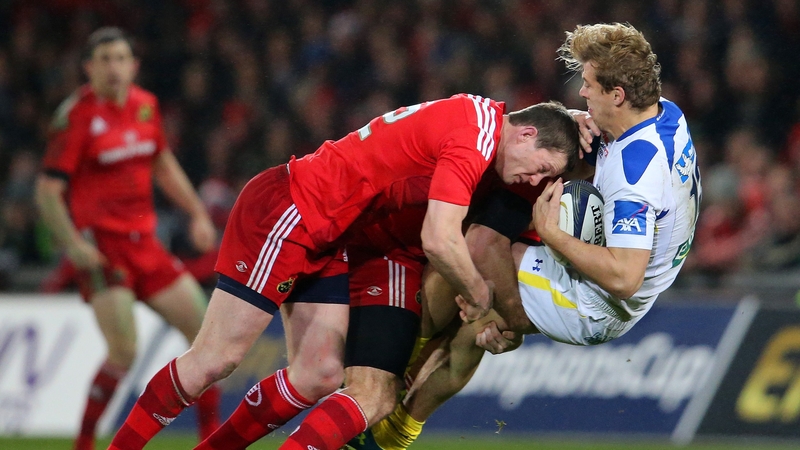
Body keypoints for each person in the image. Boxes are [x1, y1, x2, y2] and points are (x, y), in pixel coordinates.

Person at [109, 94, 580, 450]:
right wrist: (479, 296)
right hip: (293, 211)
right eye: (540, 168)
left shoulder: (478, 124)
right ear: (525, 134)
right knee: (215, 358)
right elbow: (440, 238)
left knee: (320, 373)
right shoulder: (475, 135)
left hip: (337, 236)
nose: (535, 181)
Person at [353, 22, 702, 449]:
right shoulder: (665, 112)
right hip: (618, 284)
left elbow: (624, 277)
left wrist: (554, 237)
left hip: (594, 302)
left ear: (617, 95)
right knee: (473, 327)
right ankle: (394, 430)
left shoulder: (636, 177)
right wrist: (575, 121)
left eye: (589, 85)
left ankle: (387, 372)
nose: (583, 94)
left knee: (473, 258)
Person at [34, 27, 221, 450]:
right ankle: (84, 445)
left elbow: (162, 163)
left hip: (147, 246)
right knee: (124, 351)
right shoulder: (77, 116)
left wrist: (195, 212)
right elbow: (47, 191)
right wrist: (73, 244)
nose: (113, 68)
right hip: (103, 251)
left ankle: (212, 439)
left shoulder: (145, 107)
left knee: (209, 339)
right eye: (104, 60)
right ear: (88, 68)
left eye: (121, 58)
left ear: (134, 66)